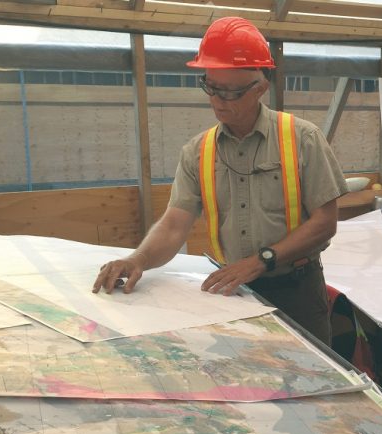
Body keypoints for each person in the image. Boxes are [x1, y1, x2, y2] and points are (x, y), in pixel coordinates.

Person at [93, 17, 348, 346]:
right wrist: (137, 259)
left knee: (316, 382)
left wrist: (261, 261)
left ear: (260, 88)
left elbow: (325, 222)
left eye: (229, 92)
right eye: (211, 87)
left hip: (297, 291)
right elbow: (174, 225)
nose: (217, 100)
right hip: (233, 291)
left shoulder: (302, 139)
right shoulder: (199, 152)